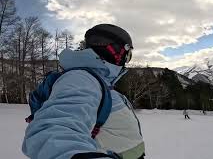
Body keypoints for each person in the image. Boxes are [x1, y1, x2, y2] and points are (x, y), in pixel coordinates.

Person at [22, 24, 145, 159]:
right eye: (128, 56)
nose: (126, 62)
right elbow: (52, 132)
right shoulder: (81, 79)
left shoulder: (100, 82)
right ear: (116, 51)